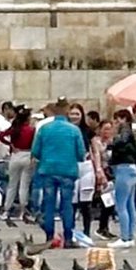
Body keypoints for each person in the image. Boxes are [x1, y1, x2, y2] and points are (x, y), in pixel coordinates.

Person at [30, 105, 87, 250]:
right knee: (67, 204)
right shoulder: (74, 130)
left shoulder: (44, 129)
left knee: (49, 205)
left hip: (48, 170)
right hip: (68, 170)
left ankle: (49, 237)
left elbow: (35, 151)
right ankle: (68, 237)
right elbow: (81, 154)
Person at [106, 115, 136, 248]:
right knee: (130, 204)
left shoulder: (121, 138)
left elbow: (115, 152)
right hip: (133, 169)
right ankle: (130, 236)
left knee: (121, 204)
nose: (115, 123)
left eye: (117, 120)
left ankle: (124, 237)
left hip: (123, 170)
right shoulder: (133, 138)